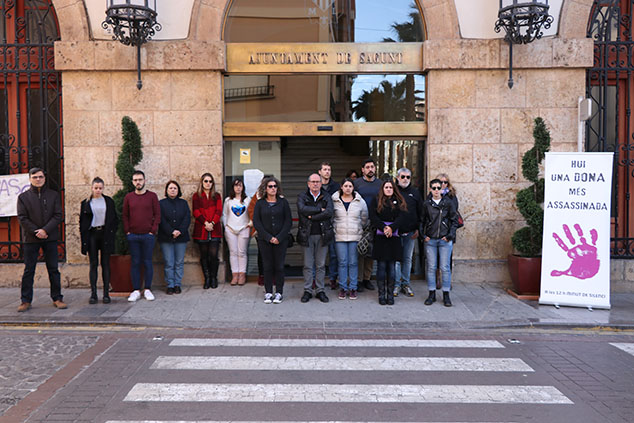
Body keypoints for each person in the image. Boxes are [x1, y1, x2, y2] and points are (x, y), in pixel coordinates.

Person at [16, 167, 65, 312]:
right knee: (29, 270)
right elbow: (22, 218)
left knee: (53, 269)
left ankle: (57, 298)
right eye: (35, 177)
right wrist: (36, 231)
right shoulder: (23, 197)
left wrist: (45, 230)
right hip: (31, 238)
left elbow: (58, 215)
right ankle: (25, 301)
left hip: (50, 237)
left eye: (40, 177)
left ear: (44, 178)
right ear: (30, 179)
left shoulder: (53, 195)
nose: (38, 180)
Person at [253, 177, 292, 304]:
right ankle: (268, 292)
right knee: (267, 266)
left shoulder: (283, 202)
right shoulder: (260, 203)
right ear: (265, 188)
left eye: (275, 186)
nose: (273, 188)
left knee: (279, 266)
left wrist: (279, 237)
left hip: (281, 240)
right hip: (264, 240)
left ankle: (279, 292)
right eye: (270, 186)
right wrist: (268, 237)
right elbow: (257, 222)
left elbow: (288, 221)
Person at [79, 177, 118, 304]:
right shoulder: (86, 203)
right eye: (96, 188)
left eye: (100, 188)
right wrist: (84, 238)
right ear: (92, 188)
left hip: (105, 233)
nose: (98, 190)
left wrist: (112, 233)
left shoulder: (108, 201)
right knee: (93, 264)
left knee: (106, 264)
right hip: (92, 234)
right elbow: (82, 222)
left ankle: (106, 294)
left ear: (103, 188)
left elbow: (114, 219)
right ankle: (93, 294)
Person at [123, 170, 160, 302]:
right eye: (135, 180)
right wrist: (127, 231)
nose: (138, 182)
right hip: (133, 235)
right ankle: (136, 290)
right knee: (135, 262)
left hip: (148, 236)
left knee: (147, 262)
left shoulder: (152, 196)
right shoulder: (129, 197)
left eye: (140, 180)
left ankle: (148, 289)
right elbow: (125, 215)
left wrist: (152, 231)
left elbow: (157, 214)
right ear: (133, 182)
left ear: (145, 181)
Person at [421, 178, 459, 307]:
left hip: (444, 240)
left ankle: (446, 294)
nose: (436, 190)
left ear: (442, 189)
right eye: (434, 188)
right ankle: (431, 294)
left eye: (439, 188)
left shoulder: (448, 203)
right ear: (430, 189)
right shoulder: (426, 204)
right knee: (431, 267)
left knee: (445, 268)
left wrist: (450, 235)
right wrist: (423, 235)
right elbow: (422, 221)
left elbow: (454, 220)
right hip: (431, 240)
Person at [297, 173, 334, 303]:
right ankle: (307, 290)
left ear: (321, 183)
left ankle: (320, 290)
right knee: (308, 265)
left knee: (321, 265)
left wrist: (312, 216)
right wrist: (319, 209)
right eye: (313, 182)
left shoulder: (327, 196)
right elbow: (302, 209)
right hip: (306, 234)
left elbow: (329, 212)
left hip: (323, 234)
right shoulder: (302, 196)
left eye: (318, 182)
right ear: (308, 184)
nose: (315, 184)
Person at [369, 179, 407, 305]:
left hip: (394, 238)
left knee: (391, 267)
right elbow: (373, 216)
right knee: (381, 267)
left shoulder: (399, 201)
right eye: (386, 187)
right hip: (380, 238)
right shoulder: (376, 200)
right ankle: (381, 294)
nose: (389, 189)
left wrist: (392, 228)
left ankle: (390, 295)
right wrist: (384, 227)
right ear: (382, 189)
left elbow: (402, 217)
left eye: (391, 187)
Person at [332, 178, 368, 300]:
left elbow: (364, 218)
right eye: (346, 186)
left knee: (353, 263)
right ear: (341, 187)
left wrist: (358, 228)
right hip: (339, 236)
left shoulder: (360, 201)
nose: (348, 188)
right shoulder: (334, 200)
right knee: (342, 262)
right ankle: (343, 288)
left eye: (350, 186)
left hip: (355, 236)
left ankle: (353, 288)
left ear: (353, 188)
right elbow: (331, 217)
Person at [353, 158, 382, 292]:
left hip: (375, 221)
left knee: (370, 252)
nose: (370, 169)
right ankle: (358, 280)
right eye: (367, 167)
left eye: (372, 167)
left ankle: (367, 278)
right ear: (363, 170)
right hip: (359, 222)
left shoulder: (380, 184)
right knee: (360, 251)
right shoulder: (356, 184)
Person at [394, 167, 423, 298]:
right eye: (403, 177)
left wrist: (418, 228)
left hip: (410, 233)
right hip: (395, 232)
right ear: (397, 178)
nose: (405, 179)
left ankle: (405, 283)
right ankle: (396, 284)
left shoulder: (415, 193)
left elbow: (421, 212)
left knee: (407, 259)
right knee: (396, 260)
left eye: (408, 177)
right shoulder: (393, 191)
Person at [158, 180, 191, 295]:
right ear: (166, 190)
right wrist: (171, 231)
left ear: (178, 190)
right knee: (169, 262)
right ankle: (170, 285)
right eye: (170, 188)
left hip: (181, 237)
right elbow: (161, 220)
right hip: (166, 237)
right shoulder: (161, 204)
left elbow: (187, 218)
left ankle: (177, 284)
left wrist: (179, 231)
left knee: (179, 262)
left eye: (175, 188)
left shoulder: (183, 203)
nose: (173, 190)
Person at [192, 173, 222, 289]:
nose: (208, 183)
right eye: (206, 181)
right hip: (202, 229)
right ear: (202, 182)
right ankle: (207, 278)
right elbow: (196, 211)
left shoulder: (217, 196)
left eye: (210, 181)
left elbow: (219, 211)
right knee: (204, 255)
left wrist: (212, 223)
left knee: (213, 255)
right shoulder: (196, 196)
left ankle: (214, 278)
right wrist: (205, 223)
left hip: (215, 229)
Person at [223, 178, 251, 285]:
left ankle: (242, 275)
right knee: (233, 252)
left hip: (243, 228)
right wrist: (226, 226)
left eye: (240, 185)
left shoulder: (247, 200)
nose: (238, 188)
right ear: (233, 187)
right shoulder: (228, 200)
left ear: (243, 187)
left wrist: (249, 224)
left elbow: (251, 213)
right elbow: (225, 214)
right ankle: (234, 275)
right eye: (236, 185)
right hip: (230, 229)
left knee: (242, 252)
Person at [319, 161, 340, 290]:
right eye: (325, 169)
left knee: (333, 255)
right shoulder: (315, 186)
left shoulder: (336, 186)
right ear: (320, 172)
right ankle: (317, 280)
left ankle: (333, 279)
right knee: (318, 256)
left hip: (332, 224)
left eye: (329, 170)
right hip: (318, 224)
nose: (327, 172)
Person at [247, 178, 265, 286]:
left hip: (274, 230)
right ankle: (262, 275)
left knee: (274, 255)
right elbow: (251, 210)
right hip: (260, 230)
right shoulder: (257, 196)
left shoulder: (278, 197)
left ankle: (273, 276)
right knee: (262, 254)